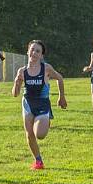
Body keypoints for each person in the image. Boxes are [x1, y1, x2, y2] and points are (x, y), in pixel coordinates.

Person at [12, 40, 67, 170]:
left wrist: (61, 97)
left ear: (41, 55)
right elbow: (15, 94)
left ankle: (46, 120)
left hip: (42, 104)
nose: (34, 53)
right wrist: (16, 83)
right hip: (28, 104)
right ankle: (38, 161)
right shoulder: (22, 71)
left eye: (38, 51)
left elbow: (59, 78)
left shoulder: (46, 68)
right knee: (29, 133)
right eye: (32, 50)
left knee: (40, 134)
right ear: (28, 52)